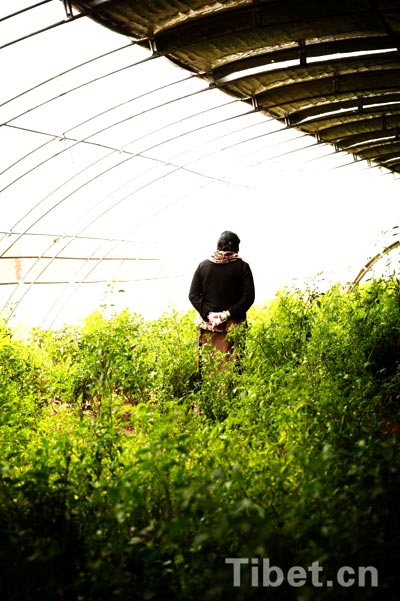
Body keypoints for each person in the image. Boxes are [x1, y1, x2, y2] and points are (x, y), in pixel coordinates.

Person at [188, 231, 255, 365]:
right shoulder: (243, 267)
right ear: (236, 248)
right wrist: (227, 314)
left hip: (208, 328)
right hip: (233, 328)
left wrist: (208, 314)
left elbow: (193, 296)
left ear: (218, 246)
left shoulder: (203, 266)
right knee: (233, 370)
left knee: (208, 368)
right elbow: (248, 297)